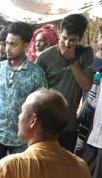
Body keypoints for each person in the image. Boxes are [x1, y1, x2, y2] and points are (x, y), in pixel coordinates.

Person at [0, 22, 47, 167]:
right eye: (7, 43)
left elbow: (40, 110)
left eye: (13, 44)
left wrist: (33, 139)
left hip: (21, 140)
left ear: (25, 46)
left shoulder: (36, 74)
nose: (8, 48)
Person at [37, 14, 93, 152]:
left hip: (69, 125)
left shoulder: (86, 53)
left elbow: (86, 86)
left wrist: (72, 60)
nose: (67, 44)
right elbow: (36, 92)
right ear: (59, 33)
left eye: (73, 40)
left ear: (80, 38)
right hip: (46, 124)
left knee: (63, 168)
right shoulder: (45, 57)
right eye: (64, 38)